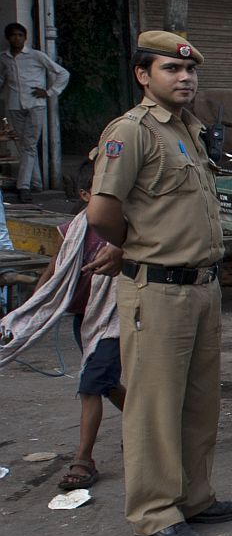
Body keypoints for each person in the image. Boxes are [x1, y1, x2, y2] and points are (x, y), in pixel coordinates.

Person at [87, 31, 232, 536]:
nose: (184, 78)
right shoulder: (130, 132)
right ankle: (155, 511)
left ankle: (194, 496)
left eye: (189, 71)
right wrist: (134, 244)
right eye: (171, 70)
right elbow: (103, 211)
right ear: (143, 76)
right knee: (155, 406)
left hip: (201, 286)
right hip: (157, 289)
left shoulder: (188, 131)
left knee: (199, 403)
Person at [7, 159, 126, 490]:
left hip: (112, 317)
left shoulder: (124, 227)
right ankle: (144, 426)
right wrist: (33, 307)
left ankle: (84, 460)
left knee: (90, 385)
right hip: (82, 317)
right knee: (105, 382)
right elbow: (54, 271)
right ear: (85, 194)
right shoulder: (71, 231)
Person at [0, 22, 70, 203]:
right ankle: (37, 182)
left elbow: (62, 73)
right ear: (8, 38)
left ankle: (24, 186)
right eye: (13, 35)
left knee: (29, 145)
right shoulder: (4, 58)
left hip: (35, 104)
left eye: (20, 35)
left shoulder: (36, 56)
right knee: (26, 145)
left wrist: (49, 92)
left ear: (25, 38)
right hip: (15, 104)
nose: (17, 38)